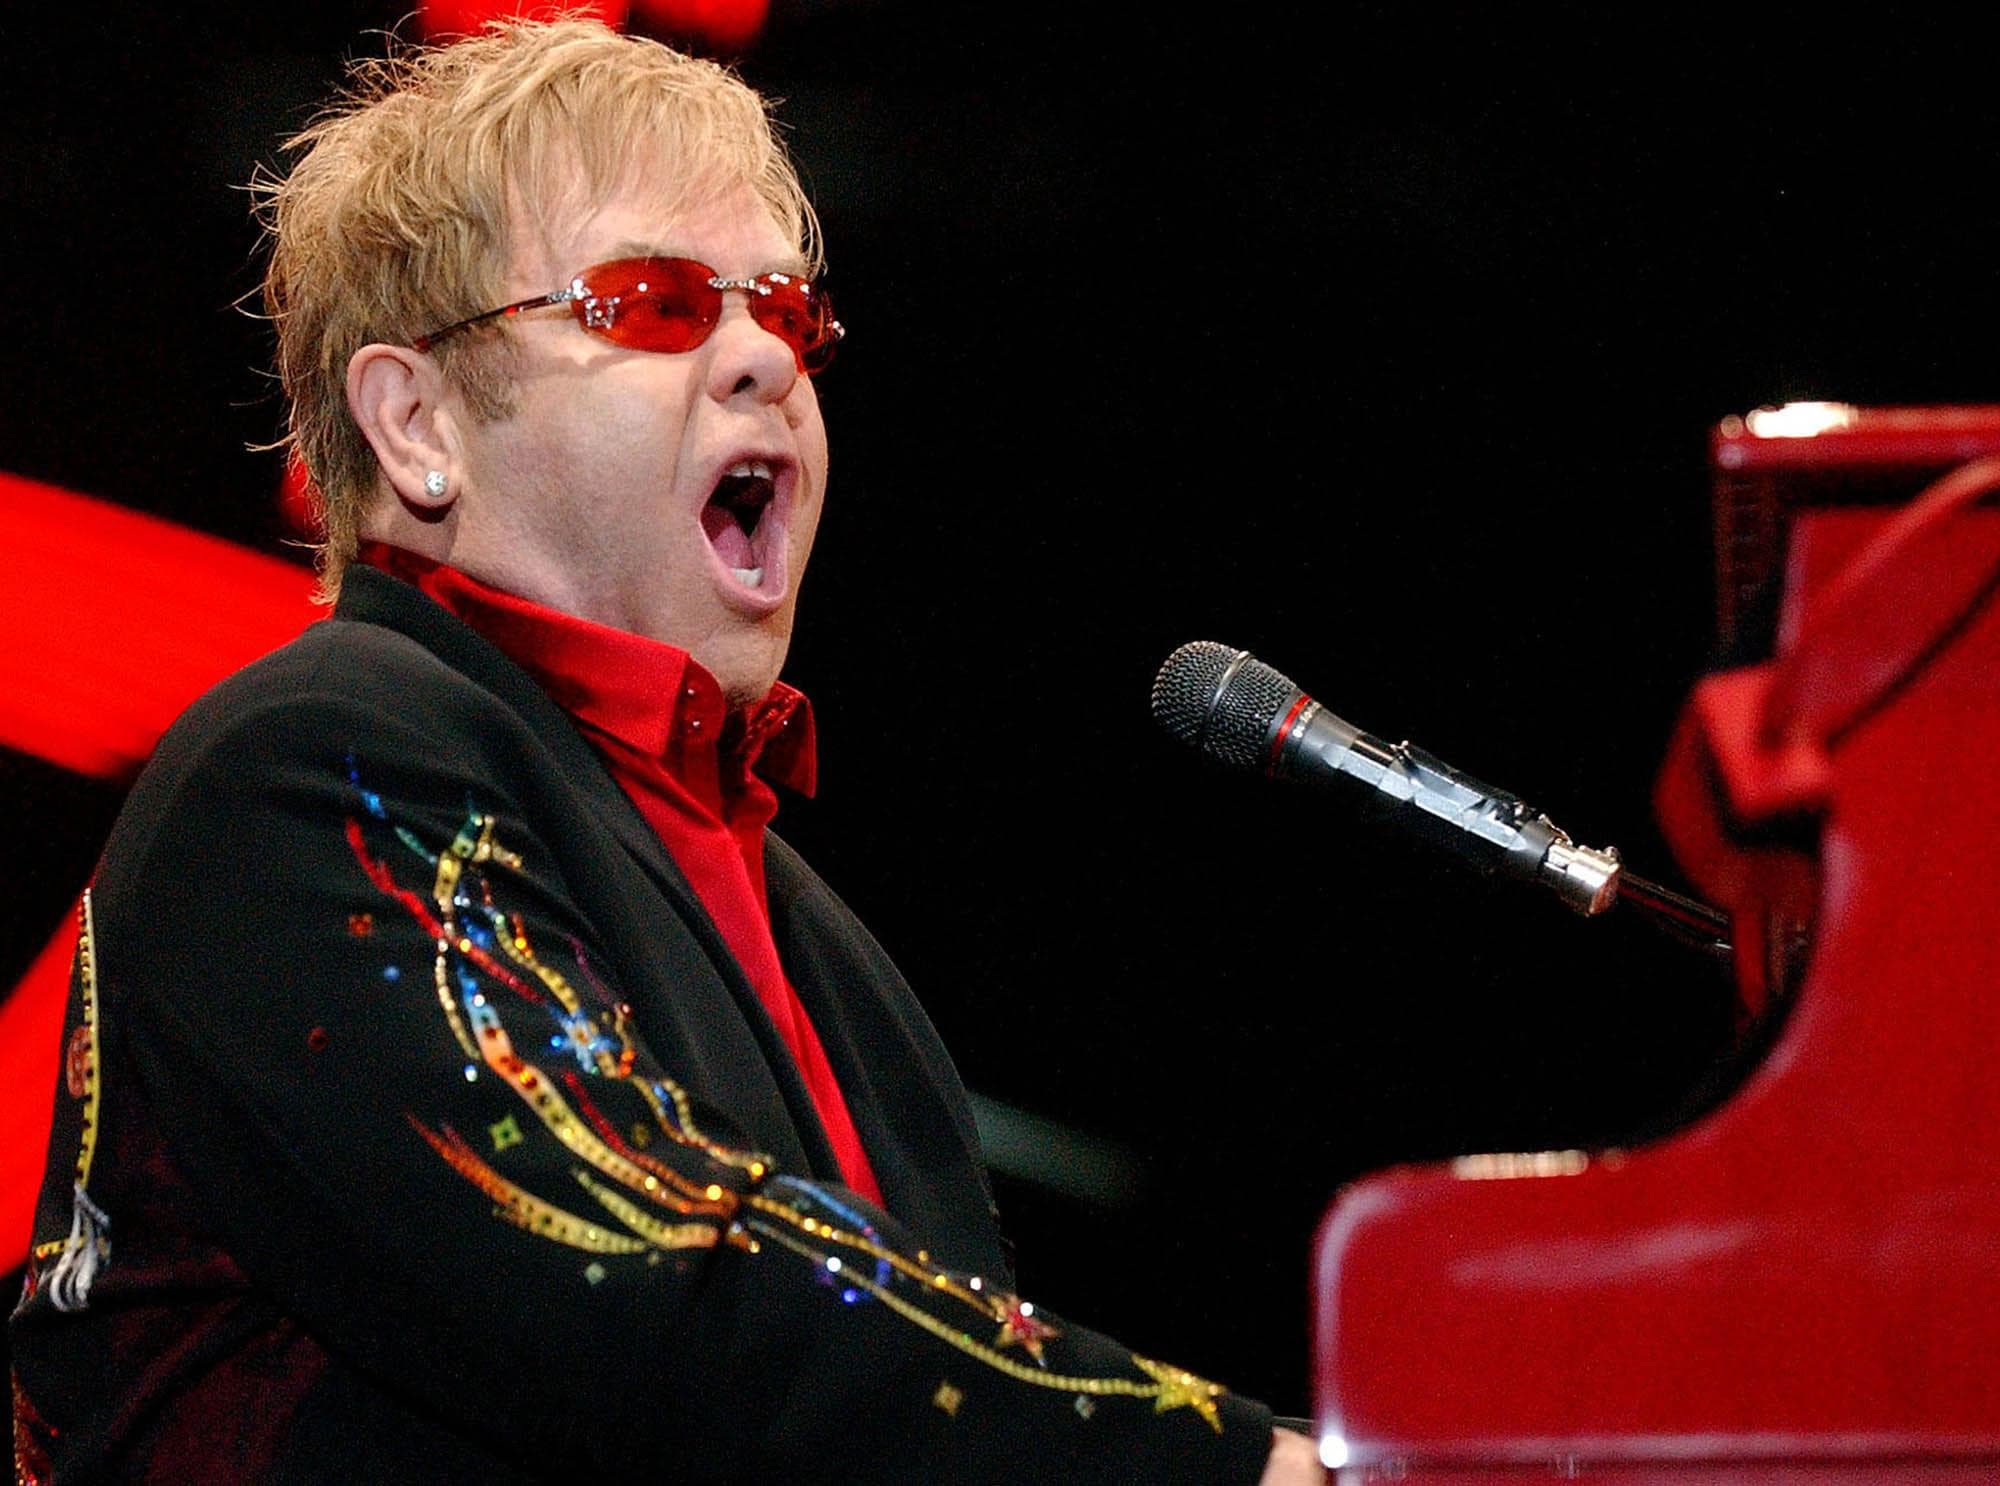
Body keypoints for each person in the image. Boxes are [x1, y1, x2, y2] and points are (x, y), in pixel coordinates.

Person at [10, 19, 1322, 1483]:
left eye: (789, 312)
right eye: (655, 303)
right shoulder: (301, 773)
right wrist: (1235, 1467)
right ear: (418, 423)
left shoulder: (831, 956)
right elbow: (645, 1277)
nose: (765, 356)